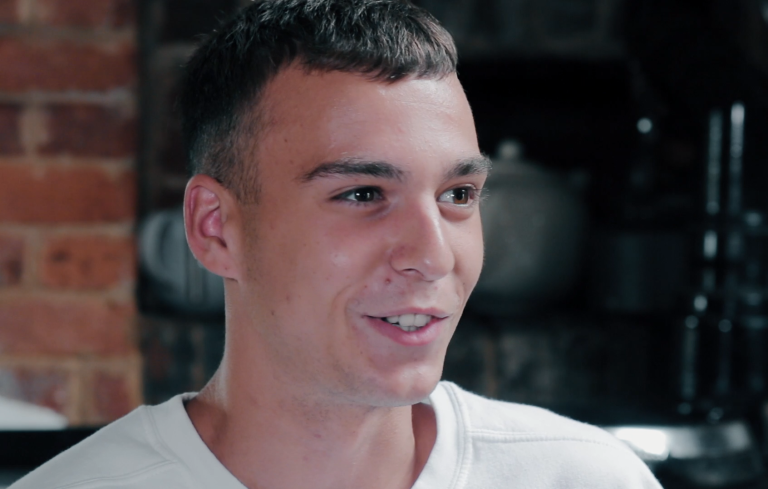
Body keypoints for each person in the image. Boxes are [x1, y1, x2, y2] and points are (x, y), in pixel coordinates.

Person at [11, 1, 662, 488]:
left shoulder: (585, 477)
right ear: (216, 227)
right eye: (363, 194)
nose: (434, 255)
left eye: (458, 194)